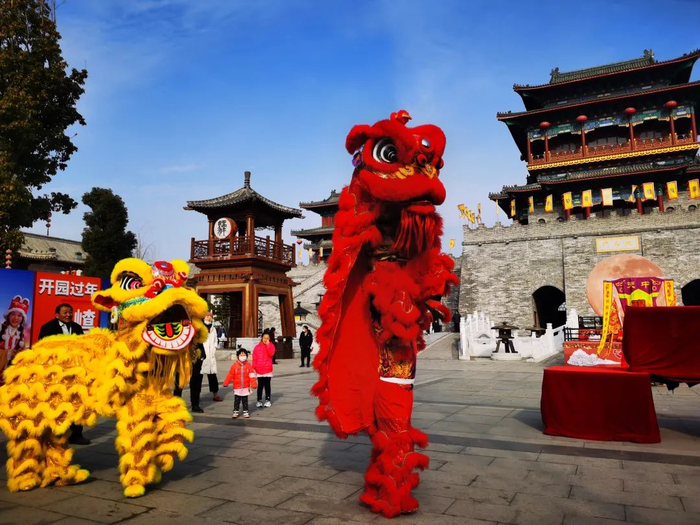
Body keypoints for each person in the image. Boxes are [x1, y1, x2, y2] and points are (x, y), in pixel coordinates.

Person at [38, 303, 90, 445]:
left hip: (74, 371)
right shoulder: (47, 328)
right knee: (57, 403)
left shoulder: (77, 327)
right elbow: (41, 349)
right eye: (65, 312)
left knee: (76, 402)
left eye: (70, 312)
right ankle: (56, 434)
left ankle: (76, 435)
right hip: (56, 372)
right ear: (57, 315)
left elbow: (83, 347)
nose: (68, 315)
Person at [1, 295, 30, 385]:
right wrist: (8, 353)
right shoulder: (1, 329)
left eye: (19, 315)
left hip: (10, 375)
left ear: (22, 319)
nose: (16, 318)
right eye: (13, 314)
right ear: (8, 315)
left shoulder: (21, 335)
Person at [223, 348, 257, 419]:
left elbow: (252, 376)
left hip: (245, 386)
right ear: (238, 356)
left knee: (245, 400)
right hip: (237, 387)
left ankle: (245, 411)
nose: (243, 356)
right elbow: (230, 375)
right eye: (241, 355)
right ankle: (235, 411)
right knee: (237, 400)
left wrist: (253, 384)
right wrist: (226, 382)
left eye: (244, 355)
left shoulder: (249, 366)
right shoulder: (234, 366)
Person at [200, 312, 223, 402]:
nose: (209, 318)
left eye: (210, 317)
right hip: (202, 355)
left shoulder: (213, 329)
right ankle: (197, 395)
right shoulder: (200, 328)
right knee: (199, 376)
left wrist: (214, 348)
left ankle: (215, 394)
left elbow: (215, 341)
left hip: (211, 355)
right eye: (207, 317)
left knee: (213, 376)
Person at [253, 332, 275, 408]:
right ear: (262, 338)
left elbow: (271, 354)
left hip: (267, 369)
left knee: (267, 385)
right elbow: (254, 357)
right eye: (264, 338)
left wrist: (268, 345)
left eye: (267, 338)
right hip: (259, 369)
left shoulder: (271, 346)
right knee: (260, 385)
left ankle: (267, 400)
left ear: (269, 339)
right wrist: (254, 366)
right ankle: (259, 400)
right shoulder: (257, 347)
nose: (265, 339)